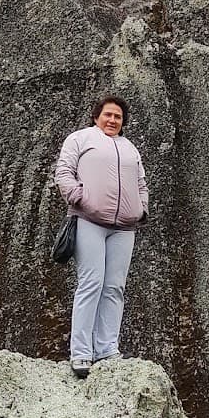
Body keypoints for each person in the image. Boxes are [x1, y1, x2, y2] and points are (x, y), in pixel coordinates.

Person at [53, 96, 149, 378]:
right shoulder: (80, 139)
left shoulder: (130, 148)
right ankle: (81, 352)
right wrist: (80, 198)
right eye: (108, 114)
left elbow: (141, 183)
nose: (112, 120)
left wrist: (141, 209)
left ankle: (107, 349)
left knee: (114, 287)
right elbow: (64, 172)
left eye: (118, 116)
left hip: (124, 228)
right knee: (91, 283)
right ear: (96, 116)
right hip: (89, 220)